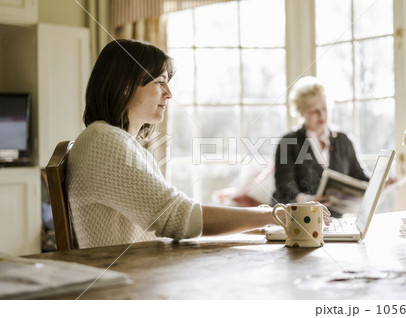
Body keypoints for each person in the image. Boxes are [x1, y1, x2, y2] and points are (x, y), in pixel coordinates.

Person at [67, 39, 331, 249]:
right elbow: (176, 218)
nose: (169, 94)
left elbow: (174, 216)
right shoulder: (104, 141)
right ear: (125, 86)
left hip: (143, 275)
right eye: (159, 83)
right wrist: (274, 215)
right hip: (127, 290)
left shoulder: (123, 144)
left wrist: (268, 222)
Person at [272, 76, 370, 216]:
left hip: (334, 219)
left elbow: (359, 176)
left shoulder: (344, 140)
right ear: (301, 112)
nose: (321, 115)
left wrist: (381, 183)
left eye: (324, 109)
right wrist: (310, 201)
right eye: (314, 111)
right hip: (298, 218)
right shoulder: (287, 142)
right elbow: (284, 187)